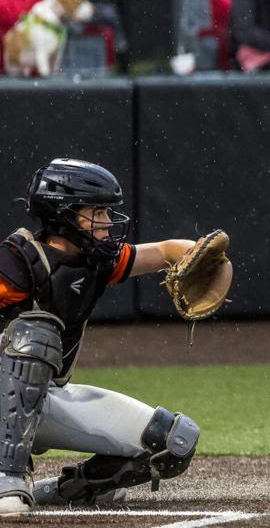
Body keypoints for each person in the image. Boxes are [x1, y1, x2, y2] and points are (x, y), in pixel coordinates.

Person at [0, 159, 222, 515]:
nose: (106, 222)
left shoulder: (95, 260)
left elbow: (164, 252)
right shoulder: (16, 262)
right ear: (64, 214)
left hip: (42, 398)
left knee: (172, 442)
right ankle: (6, 474)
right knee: (34, 334)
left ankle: (68, 490)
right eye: (97, 212)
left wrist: (203, 254)